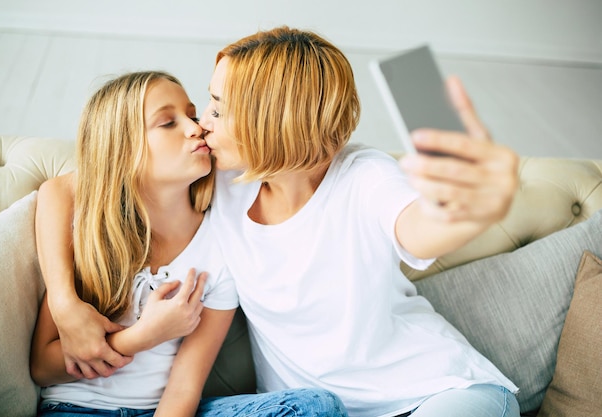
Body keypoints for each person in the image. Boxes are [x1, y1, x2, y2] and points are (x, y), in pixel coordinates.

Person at [35, 27, 521, 417]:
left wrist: (466, 206)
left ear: (271, 121)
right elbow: (71, 186)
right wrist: (63, 299)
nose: (203, 122)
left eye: (219, 109)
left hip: (435, 391)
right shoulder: (219, 182)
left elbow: (418, 227)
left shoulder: (365, 176)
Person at [30, 70, 348, 417]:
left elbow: (184, 388)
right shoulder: (91, 234)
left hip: (171, 410)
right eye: (168, 122)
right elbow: (43, 367)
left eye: (192, 114)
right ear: (122, 150)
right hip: (77, 409)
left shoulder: (219, 245)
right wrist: (143, 336)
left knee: (317, 407)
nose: (196, 127)